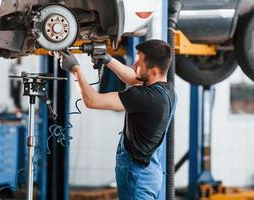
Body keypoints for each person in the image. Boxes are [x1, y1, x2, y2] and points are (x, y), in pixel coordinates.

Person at [59, 39, 177, 200]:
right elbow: (133, 78)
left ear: (154, 71)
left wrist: (75, 69)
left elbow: (92, 101)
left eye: (138, 64)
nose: (134, 67)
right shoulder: (168, 90)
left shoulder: (144, 97)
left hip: (137, 177)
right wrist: (107, 59)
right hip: (150, 172)